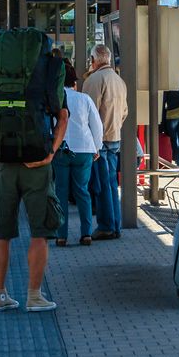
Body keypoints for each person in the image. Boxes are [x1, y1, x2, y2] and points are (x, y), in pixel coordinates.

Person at [0, 36, 68, 313]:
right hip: (37, 165)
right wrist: (50, 152)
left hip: (3, 164)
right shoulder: (47, 69)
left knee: (1, 233)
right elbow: (62, 116)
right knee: (39, 233)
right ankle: (34, 296)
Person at [54, 61, 104, 246]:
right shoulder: (84, 99)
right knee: (82, 191)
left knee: (61, 192)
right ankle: (86, 233)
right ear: (74, 83)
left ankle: (61, 235)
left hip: (61, 150)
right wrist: (97, 147)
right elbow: (96, 125)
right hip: (84, 149)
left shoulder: (55, 98)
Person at [81, 44, 126, 239]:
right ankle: (116, 224)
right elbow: (125, 112)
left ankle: (107, 225)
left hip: (99, 141)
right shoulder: (119, 80)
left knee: (101, 185)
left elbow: (88, 114)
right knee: (111, 183)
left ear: (93, 60)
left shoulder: (94, 80)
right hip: (115, 135)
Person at [161, 70, 179, 168]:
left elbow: (164, 97)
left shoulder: (168, 80)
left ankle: (176, 160)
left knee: (174, 138)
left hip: (172, 111)